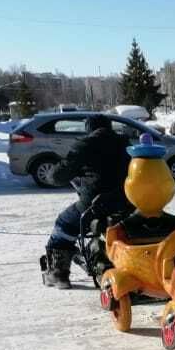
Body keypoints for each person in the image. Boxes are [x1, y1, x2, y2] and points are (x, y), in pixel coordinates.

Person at [40, 114, 131, 289]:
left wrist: (52, 175)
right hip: (126, 202)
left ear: (89, 128)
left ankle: (59, 274)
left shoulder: (85, 144)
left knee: (63, 225)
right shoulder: (124, 143)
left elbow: (59, 175)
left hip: (94, 205)